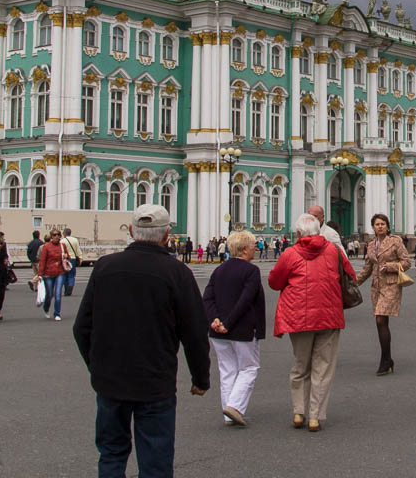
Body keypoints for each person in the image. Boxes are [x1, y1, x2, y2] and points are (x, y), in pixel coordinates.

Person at [73, 204, 210, 478]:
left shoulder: (105, 267)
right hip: (155, 381)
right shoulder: (177, 273)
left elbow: (82, 328)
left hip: (110, 381)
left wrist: (96, 367)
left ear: (131, 230)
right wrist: (200, 378)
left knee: (111, 453)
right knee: (156, 459)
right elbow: (194, 332)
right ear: (167, 235)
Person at [268, 213, 355, 432]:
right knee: (322, 368)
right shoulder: (334, 251)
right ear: (319, 230)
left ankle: (299, 412)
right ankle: (315, 417)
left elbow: (274, 282)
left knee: (300, 365)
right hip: (329, 316)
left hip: (298, 317)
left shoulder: (290, 253)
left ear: (299, 233)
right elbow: (349, 274)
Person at [203, 230, 265, 427]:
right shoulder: (251, 271)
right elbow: (245, 300)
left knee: (227, 370)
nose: (255, 249)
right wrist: (228, 323)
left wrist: (215, 320)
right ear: (245, 249)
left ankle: (228, 414)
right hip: (242, 329)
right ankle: (234, 407)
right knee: (249, 368)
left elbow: (208, 298)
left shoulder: (219, 270)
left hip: (217, 331)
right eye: (253, 246)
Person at [354, 213, 411, 376]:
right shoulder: (371, 245)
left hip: (391, 285)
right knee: (381, 322)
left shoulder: (395, 241)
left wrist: (390, 266)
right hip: (377, 287)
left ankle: (385, 360)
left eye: (382, 224)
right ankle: (387, 358)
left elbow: (406, 262)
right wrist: (355, 283)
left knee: (380, 318)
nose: (380, 227)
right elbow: (368, 267)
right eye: (377, 224)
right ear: (373, 227)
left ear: (387, 226)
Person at [37, 229, 70, 321]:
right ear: (51, 236)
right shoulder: (46, 247)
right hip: (48, 273)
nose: (56, 236)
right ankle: (46, 308)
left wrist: (66, 256)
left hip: (60, 272)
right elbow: (42, 260)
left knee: (58, 293)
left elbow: (68, 257)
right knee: (50, 294)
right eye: (54, 235)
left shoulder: (63, 246)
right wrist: (40, 274)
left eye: (58, 235)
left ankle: (57, 313)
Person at [61, 228, 83, 296]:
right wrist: (80, 258)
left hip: (66, 259)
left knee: (65, 275)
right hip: (73, 258)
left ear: (65, 233)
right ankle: (71, 285)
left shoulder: (62, 241)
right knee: (72, 275)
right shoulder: (75, 240)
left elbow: (62, 251)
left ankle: (66, 290)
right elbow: (78, 250)